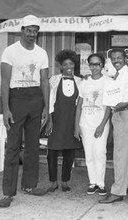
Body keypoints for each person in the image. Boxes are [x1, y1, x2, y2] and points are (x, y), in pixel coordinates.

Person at [0, 15, 50, 208]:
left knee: (32, 147)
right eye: (28, 30)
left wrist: (46, 107)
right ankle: (8, 193)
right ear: (22, 31)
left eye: (35, 30)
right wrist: (5, 109)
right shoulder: (10, 51)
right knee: (12, 147)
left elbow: (44, 81)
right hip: (16, 98)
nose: (32, 34)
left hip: (36, 98)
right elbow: (4, 81)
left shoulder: (41, 53)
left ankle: (29, 185)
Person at [99, 48, 128, 204]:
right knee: (124, 151)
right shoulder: (116, 75)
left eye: (119, 57)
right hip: (118, 115)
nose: (116, 60)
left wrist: (126, 103)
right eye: (113, 58)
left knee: (119, 154)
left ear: (125, 59)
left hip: (125, 113)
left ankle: (117, 191)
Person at [74, 53, 112, 196]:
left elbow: (108, 106)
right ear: (88, 65)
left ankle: (101, 183)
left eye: (97, 64)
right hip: (85, 123)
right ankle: (93, 182)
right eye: (92, 64)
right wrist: (76, 125)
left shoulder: (108, 81)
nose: (94, 67)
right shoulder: (84, 82)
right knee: (89, 154)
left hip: (100, 123)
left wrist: (102, 124)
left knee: (100, 153)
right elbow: (79, 105)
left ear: (102, 65)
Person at [45, 49, 83, 193]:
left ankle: (65, 181)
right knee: (52, 153)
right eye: (65, 64)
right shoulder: (53, 80)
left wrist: (77, 125)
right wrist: (49, 121)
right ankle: (53, 182)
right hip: (56, 120)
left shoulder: (80, 81)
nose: (69, 66)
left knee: (69, 153)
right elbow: (49, 101)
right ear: (60, 66)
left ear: (74, 65)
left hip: (72, 121)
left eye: (71, 64)